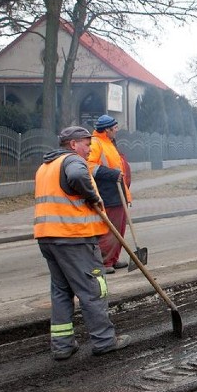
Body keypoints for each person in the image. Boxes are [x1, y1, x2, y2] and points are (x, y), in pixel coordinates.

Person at [34, 126, 130, 360]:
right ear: (73, 144)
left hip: (48, 237)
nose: (89, 149)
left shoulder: (45, 166)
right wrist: (93, 196)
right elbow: (78, 177)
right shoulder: (72, 162)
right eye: (86, 144)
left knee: (61, 291)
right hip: (73, 237)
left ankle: (63, 345)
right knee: (93, 289)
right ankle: (104, 341)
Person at [87, 114, 131, 274]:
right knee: (110, 230)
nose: (117, 130)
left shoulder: (109, 143)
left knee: (119, 229)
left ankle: (113, 258)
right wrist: (111, 174)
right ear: (106, 130)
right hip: (108, 193)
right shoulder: (96, 143)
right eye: (114, 128)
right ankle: (104, 262)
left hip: (118, 193)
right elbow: (89, 165)